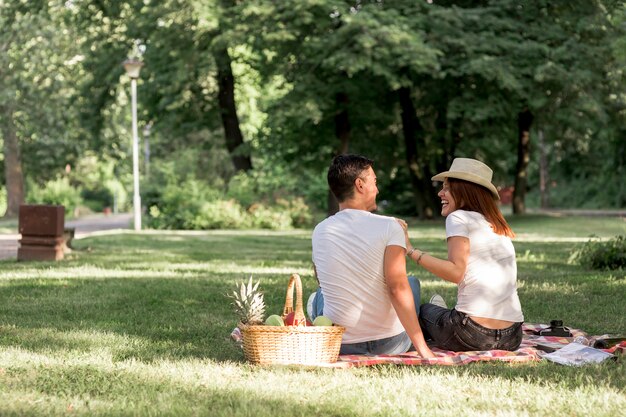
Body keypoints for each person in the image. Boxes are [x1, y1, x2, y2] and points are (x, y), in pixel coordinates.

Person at [309, 154, 434, 358]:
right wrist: (423, 350)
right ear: (360, 185)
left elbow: (323, 279)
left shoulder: (320, 230)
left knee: (322, 293)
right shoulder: (390, 226)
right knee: (410, 283)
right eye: (374, 182)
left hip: (340, 343)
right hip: (391, 344)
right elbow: (396, 288)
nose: (377, 189)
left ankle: (315, 305)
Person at [399, 157, 524, 352]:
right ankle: (444, 314)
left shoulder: (458, 217)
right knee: (437, 313)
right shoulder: (496, 224)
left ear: (465, 191)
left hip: (472, 335)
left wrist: (410, 250)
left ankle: (439, 317)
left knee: (424, 311)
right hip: (513, 336)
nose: (440, 193)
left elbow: (455, 272)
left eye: (447, 188)